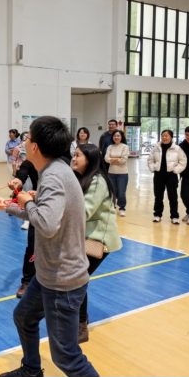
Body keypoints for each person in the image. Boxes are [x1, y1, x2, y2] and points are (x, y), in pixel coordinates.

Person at [0, 116, 98, 377]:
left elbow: (47, 225)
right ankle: (31, 371)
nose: (23, 142)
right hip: (48, 275)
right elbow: (47, 214)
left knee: (66, 357)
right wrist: (12, 207)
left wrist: (26, 201)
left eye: (27, 138)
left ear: (35, 147)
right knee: (24, 317)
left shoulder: (53, 176)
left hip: (63, 281)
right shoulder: (56, 170)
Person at [72, 144, 123, 344]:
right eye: (74, 154)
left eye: (78, 155)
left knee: (77, 278)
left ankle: (81, 325)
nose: (73, 158)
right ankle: (79, 318)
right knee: (77, 278)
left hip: (98, 239)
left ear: (90, 159)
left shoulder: (98, 181)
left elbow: (83, 212)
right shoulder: (81, 178)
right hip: (84, 237)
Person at [8, 157, 38, 298]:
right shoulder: (29, 162)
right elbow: (22, 176)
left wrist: (40, 193)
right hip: (36, 207)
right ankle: (27, 281)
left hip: (55, 208)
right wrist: (16, 182)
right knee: (32, 245)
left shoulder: (59, 161)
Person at [147, 130, 187, 224]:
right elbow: (150, 160)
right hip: (158, 175)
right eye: (163, 136)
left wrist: (175, 170)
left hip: (171, 175)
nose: (164, 138)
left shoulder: (177, 148)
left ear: (171, 137)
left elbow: (183, 161)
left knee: (172, 197)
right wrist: (153, 168)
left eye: (166, 136)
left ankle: (174, 216)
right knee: (158, 196)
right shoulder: (156, 148)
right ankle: (157, 214)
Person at [105, 130, 129, 217]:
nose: (116, 137)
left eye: (118, 136)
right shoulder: (110, 147)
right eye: (115, 136)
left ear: (121, 137)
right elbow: (106, 159)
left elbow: (123, 160)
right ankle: (112, 207)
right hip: (111, 173)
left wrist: (112, 159)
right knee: (112, 192)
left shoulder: (125, 147)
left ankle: (122, 208)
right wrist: (118, 158)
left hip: (122, 173)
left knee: (121, 192)